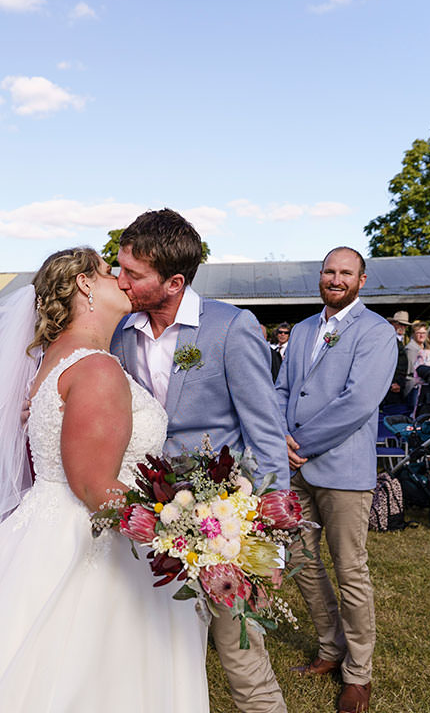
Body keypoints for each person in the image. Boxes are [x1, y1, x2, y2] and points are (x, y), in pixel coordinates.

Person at [0, 247, 208, 713]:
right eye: (111, 273)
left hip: (41, 529)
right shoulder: (97, 367)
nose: (123, 282)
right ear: (84, 284)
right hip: (90, 539)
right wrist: (190, 533)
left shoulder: (57, 357)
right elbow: (92, 486)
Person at [110, 209, 288, 713]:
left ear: (174, 282)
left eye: (132, 274)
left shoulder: (232, 328)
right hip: (149, 517)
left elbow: (267, 433)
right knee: (160, 650)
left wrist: (272, 542)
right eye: (119, 268)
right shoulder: (122, 331)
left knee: (241, 655)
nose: (119, 281)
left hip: (224, 517)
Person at [275, 248, 395, 713]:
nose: (335, 278)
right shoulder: (303, 329)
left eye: (346, 272)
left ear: (362, 280)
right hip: (294, 466)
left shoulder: (377, 332)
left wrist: (299, 443)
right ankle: (330, 647)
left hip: (342, 468)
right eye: (329, 271)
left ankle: (358, 673)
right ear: (320, 276)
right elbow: (284, 388)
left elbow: (357, 402)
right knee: (303, 562)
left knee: (350, 569)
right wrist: (278, 436)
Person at [382, 311, 411, 409]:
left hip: (399, 385)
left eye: (405, 325)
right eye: (400, 324)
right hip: (389, 386)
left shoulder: (401, 341)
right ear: (393, 324)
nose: (402, 327)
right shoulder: (386, 340)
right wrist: (396, 382)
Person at [404, 322, 426, 405]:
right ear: (413, 334)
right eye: (418, 333)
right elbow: (412, 370)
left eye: (424, 333)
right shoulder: (411, 349)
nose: (422, 335)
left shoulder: (424, 346)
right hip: (414, 386)